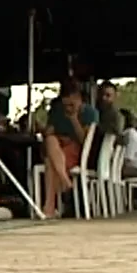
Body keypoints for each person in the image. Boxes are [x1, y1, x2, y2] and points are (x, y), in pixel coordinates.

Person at [40, 80, 96, 218]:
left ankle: (49, 207)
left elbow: (84, 140)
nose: (68, 108)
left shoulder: (89, 112)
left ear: (79, 99)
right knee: (51, 140)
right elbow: (50, 131)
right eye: (66, 105)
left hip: (77, 151)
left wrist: (74, 119)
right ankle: (65, 180)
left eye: (71, 105)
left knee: (50, 163)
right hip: (58, 147)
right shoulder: (57, 110)